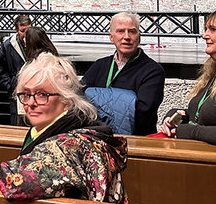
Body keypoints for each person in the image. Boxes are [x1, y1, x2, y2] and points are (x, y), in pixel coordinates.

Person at [0, 52, 127, 202]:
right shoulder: (49, 129)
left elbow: (23, 179)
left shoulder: (72, 144)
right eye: (26, 94)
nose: (31, 103)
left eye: (42, 94)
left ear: (66, 99)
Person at [81, 12, 165, 135]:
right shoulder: (100, 65)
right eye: (120, 31)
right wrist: (125, 101)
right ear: (111, 37)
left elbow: (142, 113)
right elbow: (78, 97)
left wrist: (96, 99)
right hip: (98, 137)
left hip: (137, 141)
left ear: (139, 37)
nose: (126, 36)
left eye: (132, 31)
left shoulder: (153, 71)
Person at [160, 11, 216, 144]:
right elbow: (202, 117)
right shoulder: (211, 73)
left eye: (213, 30)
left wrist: (188, 131)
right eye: (206, 29)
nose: (204, 35)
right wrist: (176, 117)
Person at [0, 14, 33, 125]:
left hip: (35, 92)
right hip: (16, 94)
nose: (25, 34)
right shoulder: (8, 46)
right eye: (22, 31)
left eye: (28, 30)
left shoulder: (36, 43)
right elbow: (0, 69)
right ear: (16, 30)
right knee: (18, 124)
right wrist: (11, 86)